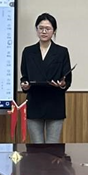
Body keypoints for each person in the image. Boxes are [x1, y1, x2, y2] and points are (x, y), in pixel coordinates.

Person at [19, 13, 72, 144]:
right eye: (41, 28)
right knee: (36, 148)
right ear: (36, 29)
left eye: (47, 28)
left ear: (54, 31)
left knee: (52, 148)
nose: (44, 31)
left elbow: (67, 78)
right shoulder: (28, 51)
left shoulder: (61, 52)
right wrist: (24, 84)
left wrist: (62, 84)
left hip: (55, 103)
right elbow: (24, 75)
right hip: (34, 102)